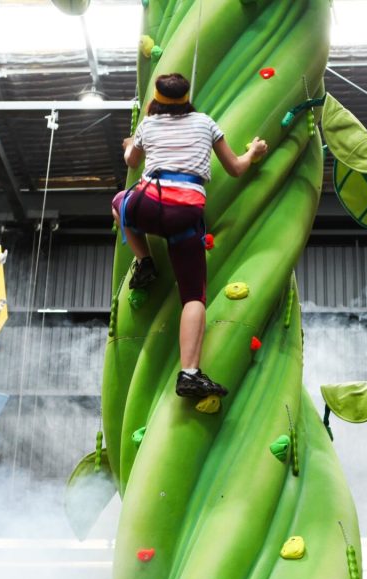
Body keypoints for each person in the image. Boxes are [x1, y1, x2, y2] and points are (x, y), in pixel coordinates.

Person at [113, 73, 267, 399]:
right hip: (184, 215)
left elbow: (131, 160)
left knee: (119, 204)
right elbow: (236, 168)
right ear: (186, 98)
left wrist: (131, 145)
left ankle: (144, 262)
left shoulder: (148, 125)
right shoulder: (206, 123)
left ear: (156, 100)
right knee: (193, 296)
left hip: (147, 204)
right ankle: (190, 373)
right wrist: (253, 151)